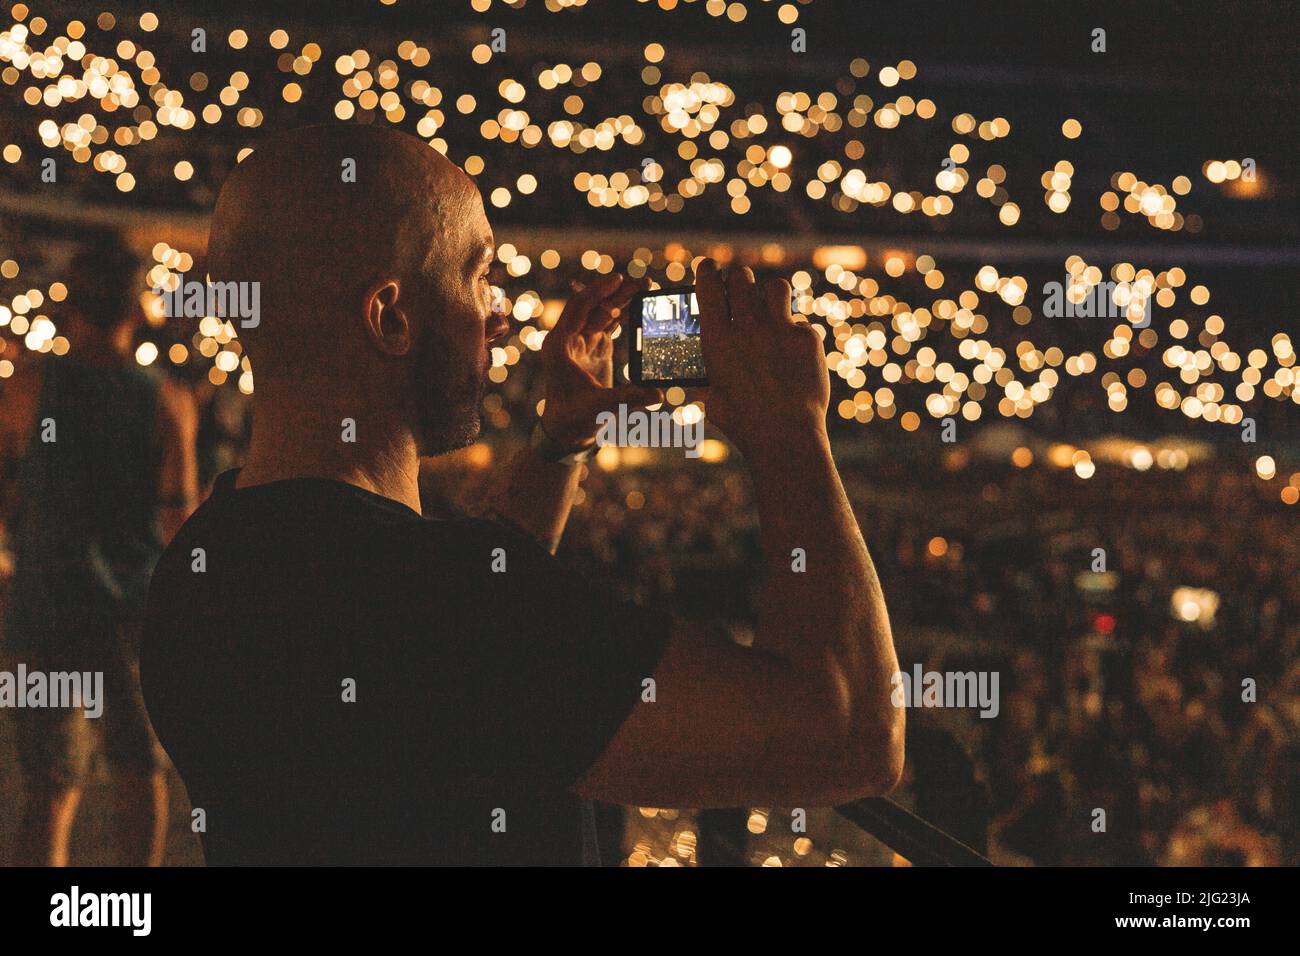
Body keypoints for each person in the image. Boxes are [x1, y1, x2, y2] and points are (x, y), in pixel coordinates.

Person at [140, 123, 904, 865]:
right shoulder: (440, 606)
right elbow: (849, 735)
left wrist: (559, 441)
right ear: (391, 316)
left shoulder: (204, 560)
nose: (497, 317)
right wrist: (789, 430)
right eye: (477, 275)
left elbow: (466, 637)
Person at [0, 234, 199, 866]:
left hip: (43, 609)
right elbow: (180, 523)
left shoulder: (27, 390)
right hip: (133, 615)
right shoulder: (167, 402)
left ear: (67, 308)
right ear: (137, 310)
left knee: (52, 790)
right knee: (139, 777)